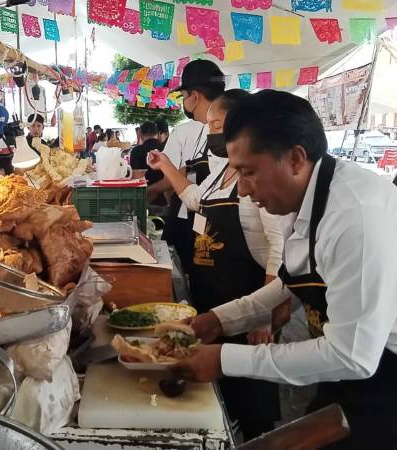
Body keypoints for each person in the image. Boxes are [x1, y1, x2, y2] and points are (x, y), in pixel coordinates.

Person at [172, 90, 397, 450]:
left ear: (294, 158)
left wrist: (226, 358)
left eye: (248, 173)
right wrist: (219, 320)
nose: (243, 190)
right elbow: (290, 280)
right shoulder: (304, 196)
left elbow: (352, 356)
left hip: (383, 373)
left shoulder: (354, 217)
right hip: (349, 366)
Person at [148, 89, 283, 440]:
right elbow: (194, 200)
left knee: (251, 394)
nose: (210, 133)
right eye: (209, 126)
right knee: (219, 387)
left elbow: (279, 246)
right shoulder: (221, 170)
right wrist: (165, 164)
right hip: (212, 298)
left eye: (216, 124)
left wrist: (263, 316)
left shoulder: (254, 176)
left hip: (247, 299)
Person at [148, 59, 225, 275]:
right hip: (199, 219)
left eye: (183, 97)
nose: (184, 103)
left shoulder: (222, 132)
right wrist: (164, 164)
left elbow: (204, 196)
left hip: (218, 230)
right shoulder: (204, 128)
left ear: (195, 96)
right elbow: (194, 185)